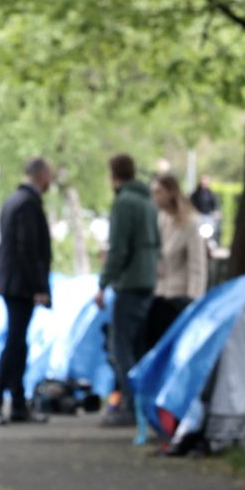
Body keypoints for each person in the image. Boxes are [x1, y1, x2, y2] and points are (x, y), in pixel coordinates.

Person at [0, 158, 54, 426]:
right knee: (14, 343)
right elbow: (29, 249)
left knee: (19, 342)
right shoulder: (28, 204)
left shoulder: (14, 200)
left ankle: (17, 403)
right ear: (41, 175)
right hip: (21, 284)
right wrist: (40, 286)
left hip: (13, 282)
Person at [95, 152, 159, 426]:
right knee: (138, 346)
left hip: (130, 283)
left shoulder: (124, 203)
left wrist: (103, 283)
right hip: (147, 282)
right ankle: (141, 404)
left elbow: (119, 249)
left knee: (120, 347)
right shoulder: (148, 202)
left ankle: (131, 406)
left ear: (114, 174)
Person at [143, 171, 208, 355]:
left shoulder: (190, 223)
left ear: (171, 193)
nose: (155, 196)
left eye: (159, 192)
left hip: (179, 298)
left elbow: (198, 265)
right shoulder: (161, 219)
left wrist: (194, 299)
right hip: (159, 294)